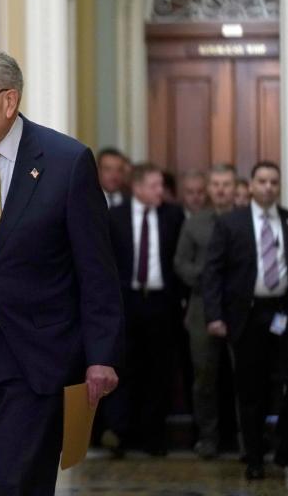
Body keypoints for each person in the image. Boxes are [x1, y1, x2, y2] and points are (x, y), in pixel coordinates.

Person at [0, 48, 123, 495]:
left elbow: (96, 271)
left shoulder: (66, 162)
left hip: (35, 356)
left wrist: (101, 355)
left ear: (9, 102)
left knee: (19, 484)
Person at [204, 161, 288, 482]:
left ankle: (285, 449)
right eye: (262, 181)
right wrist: (215, 315)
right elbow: (212, 272)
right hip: (247, 317)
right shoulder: (232, 223)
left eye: (274, 182)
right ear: (252, 185)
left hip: (285, 314)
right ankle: (255, 457)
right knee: (251, 391)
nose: (268, 186)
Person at [102, 163, 185, 457]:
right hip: (126, 302)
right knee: (124, 368)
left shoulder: (173, 216)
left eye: (161, 185)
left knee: (159, 371)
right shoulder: (115, 216)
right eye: (154, 185)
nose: (160, 191)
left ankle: (154, 436)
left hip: (162, 303)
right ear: (137, 187)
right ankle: (120, 432)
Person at [173, 163, 237, 459]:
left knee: (245, 377)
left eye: (227, 184)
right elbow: (181, 265)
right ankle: (208, 438)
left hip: (239, 307)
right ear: (210, 189)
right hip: (200, 308)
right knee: (204, 378)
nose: (222, 190)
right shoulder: (195, 223)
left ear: (235, 187)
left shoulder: (246, 219)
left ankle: (244, 439)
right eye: (217, 184)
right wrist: (210, 275)